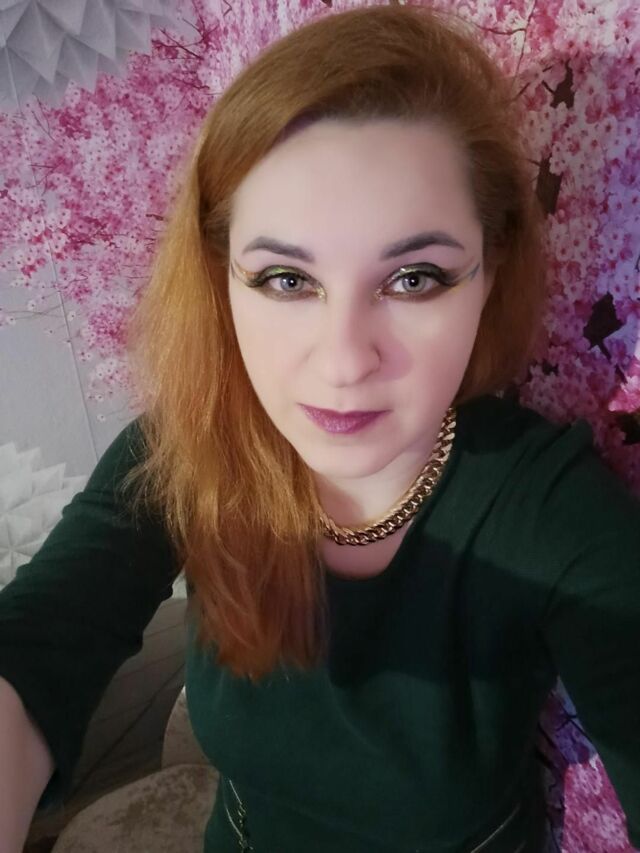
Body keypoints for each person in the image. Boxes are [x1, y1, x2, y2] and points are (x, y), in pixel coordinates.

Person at [1, 4, 639, 852]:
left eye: (414, 278)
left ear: (490, 272)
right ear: (222, 279)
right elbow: (36, 647)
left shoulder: (550, 511)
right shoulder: (186, 454)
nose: (343, 361)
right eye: (286, 280)